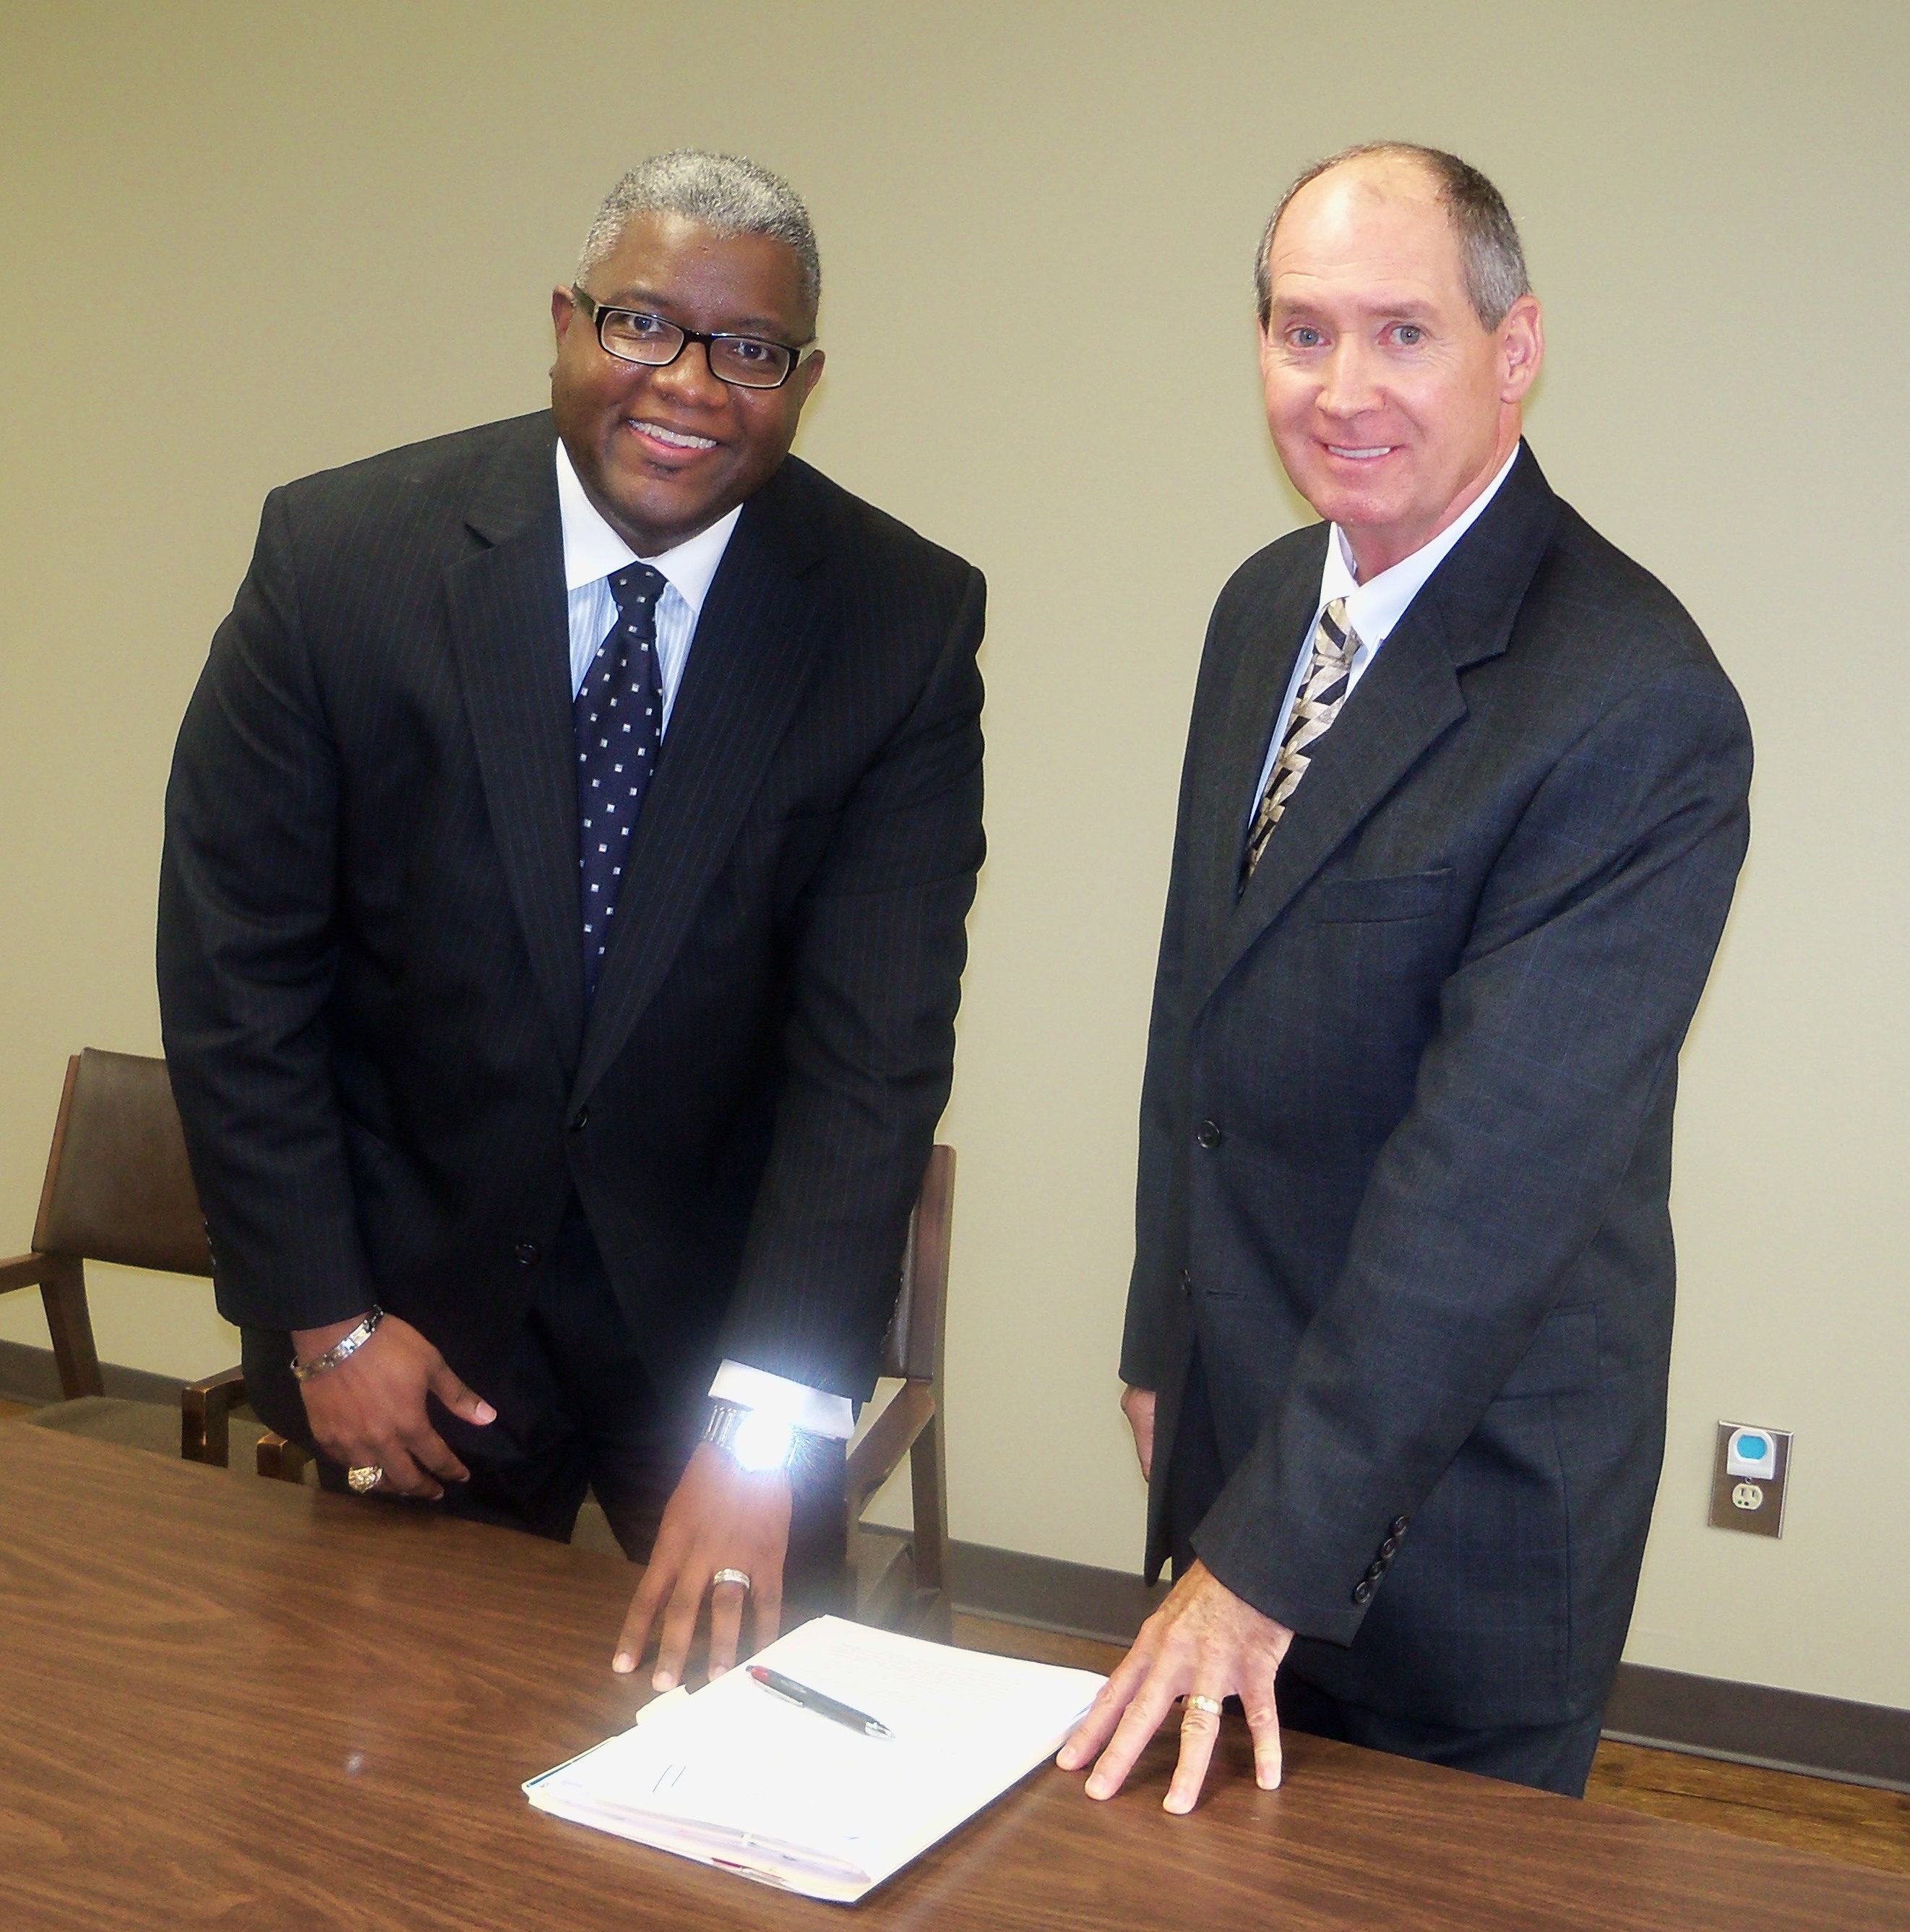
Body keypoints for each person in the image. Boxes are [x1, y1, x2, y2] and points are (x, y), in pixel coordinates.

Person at [158, 151, 985, 1691]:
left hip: (723, 1344)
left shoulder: (898, 625)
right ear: (563, 322)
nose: (686, 383)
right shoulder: (339, 563)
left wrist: (763, 1428)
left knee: (739, 1802)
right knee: (378, 1774)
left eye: (746, 349)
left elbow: (868, 1069)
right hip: (407, 1326)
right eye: (641, 322)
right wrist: (326, 1324)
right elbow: (235, 975)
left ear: (802, 379)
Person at [1059, 143, 1750, 1809]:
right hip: (1240, 1444)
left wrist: (1262, 1557)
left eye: (1400, 333)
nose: (1340, 388)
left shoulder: (1631, 699)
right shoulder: (1256, 613)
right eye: (1300, 333)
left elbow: (1484, 1196)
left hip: (1462, 1525)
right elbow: (1192, 1005)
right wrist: (1164, 1332)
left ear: (1513, 351)